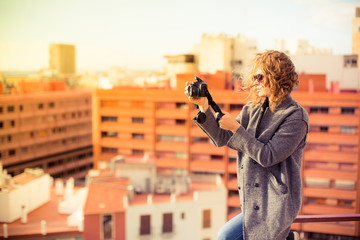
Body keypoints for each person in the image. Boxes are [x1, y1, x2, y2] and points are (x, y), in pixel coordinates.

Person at [184, 50, 309, 240]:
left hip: (276, 205)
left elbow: (268, 156)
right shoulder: (252, 109)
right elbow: (221, 138)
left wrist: (237, 129)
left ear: (277, 77)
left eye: (260, 77)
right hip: (252, 204)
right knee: (225, 236)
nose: (255, 83)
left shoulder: (295, 116)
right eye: (254, 77)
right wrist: (204, 106)